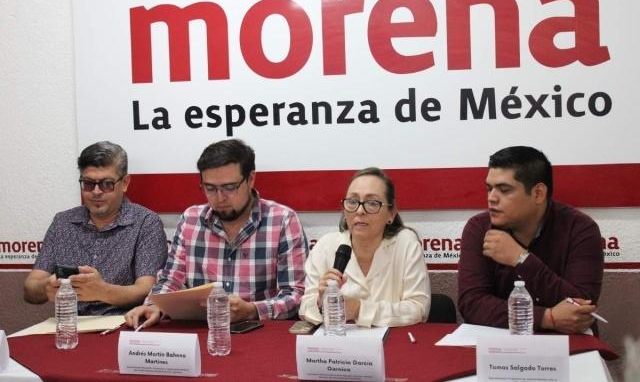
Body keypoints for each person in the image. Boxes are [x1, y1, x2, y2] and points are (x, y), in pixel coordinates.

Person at [125, 139, 308, 328]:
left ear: (251, 179)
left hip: (259, 332)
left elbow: (296, 294)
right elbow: (171, 280)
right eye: (210, 188)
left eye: (229, 188)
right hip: (201, 331)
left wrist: (252, 310)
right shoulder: (191, 219)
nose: (220, 198)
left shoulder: (282, 220)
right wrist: (154, 304)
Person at [457, 146, 604, 334]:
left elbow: (581, 308)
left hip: (568, 345)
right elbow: (472, 304)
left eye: (504, 190)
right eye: (489, 188)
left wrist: (521, 259)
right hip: (499, 345)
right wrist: (546, 317)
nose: (491, 198)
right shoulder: (478, 228)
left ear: (538, 194)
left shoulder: (581, 229)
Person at [23, 141, 168, 315]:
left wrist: (103, 291)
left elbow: (147, 289)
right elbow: (30, 288)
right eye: (88, 183)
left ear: (125, 183)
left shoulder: (146, 222)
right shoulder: (63, 222)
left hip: (122, 323)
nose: (96, 192)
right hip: (70, 324)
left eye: (107, 184)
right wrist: (47, 287)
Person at [299, 167, 430, 327]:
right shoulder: (326, 246)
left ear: (391, 213)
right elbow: (305, 308)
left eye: (372, 203)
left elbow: (419, 308)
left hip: (394, 345)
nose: (360, 211)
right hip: (339, 346)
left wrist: (359, 309)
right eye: (352, 202)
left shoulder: (405, 243)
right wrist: (320, 303)